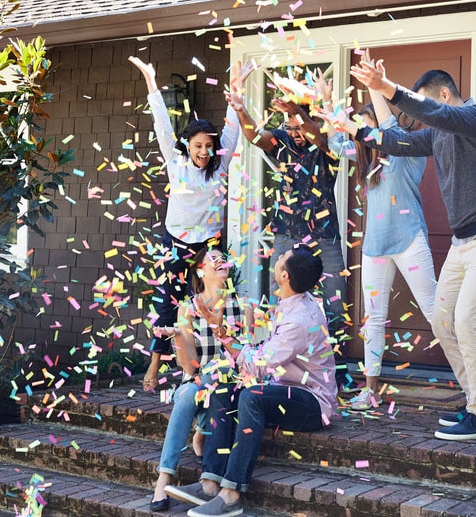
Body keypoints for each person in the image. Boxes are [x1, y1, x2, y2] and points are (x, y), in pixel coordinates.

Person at [348, 51, 476, 440]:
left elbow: (438, 115)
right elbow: (396, 143)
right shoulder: (438, 133)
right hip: (465, 243)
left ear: (444, 95)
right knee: (443, 321)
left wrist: (387, 88)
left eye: (428, 105)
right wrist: (353, 127)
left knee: (467, 320)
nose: (425, 117)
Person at [165, 243, 336, 517]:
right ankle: (209, 483)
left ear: (284, 276)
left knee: (251, 396)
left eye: (282, 258)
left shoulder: (299, 319)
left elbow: (259, 365)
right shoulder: (291, 303)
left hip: (312, 402)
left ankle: (231, 494)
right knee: (223, 386)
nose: (277, 257)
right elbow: (260, 356)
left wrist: (220, 331)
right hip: (281, 389)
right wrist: (219, 327)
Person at [224, 62, 351, 387]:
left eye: (297, 126)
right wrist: (240, 108)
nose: (293, 134)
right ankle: (277, 363)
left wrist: (300, 112)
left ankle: (337, 368)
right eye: (289, 127)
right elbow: (255, 136)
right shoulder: (281, 139)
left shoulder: (325, 145)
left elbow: (317, 134)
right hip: (286, 233)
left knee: (335, 302)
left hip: (325, 236)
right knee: (279, 299)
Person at [129, 56, 244, 392]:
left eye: (209, 146)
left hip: (209, 247)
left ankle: (222, 363)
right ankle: (153, 367)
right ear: (188, 146)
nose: (204, 152)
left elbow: (233, 128)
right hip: (177, 244)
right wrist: (151, 82)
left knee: (216, 302)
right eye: (198, 146)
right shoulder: (175, 161)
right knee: (170, 303)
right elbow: (162, 125)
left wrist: (237, 88)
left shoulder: (220, 165)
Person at [320, 77, 436, 411]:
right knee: (372, 319)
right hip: (374, 247)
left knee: (434, 311)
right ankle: (370, 390)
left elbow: (387, 127)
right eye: (360, 128)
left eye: (366, 126)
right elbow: (335, 140)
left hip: (409, 239)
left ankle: (473, 383)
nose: (362, 132)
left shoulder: (406, 151)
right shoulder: (364, 160)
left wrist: (373, 84)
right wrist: (329, 103)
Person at [149, 246, 253, 512]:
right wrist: (178, 339)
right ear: (200, 270)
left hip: (234, 380)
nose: (220, 261)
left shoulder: (243, 306)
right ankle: (163, 479)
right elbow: (190, 366)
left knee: (211, 388)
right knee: (185, 396)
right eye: (213, 259)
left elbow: (248, 354)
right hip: (201, 378)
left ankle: (202, 436)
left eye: (223, 258)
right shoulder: (187, 308)